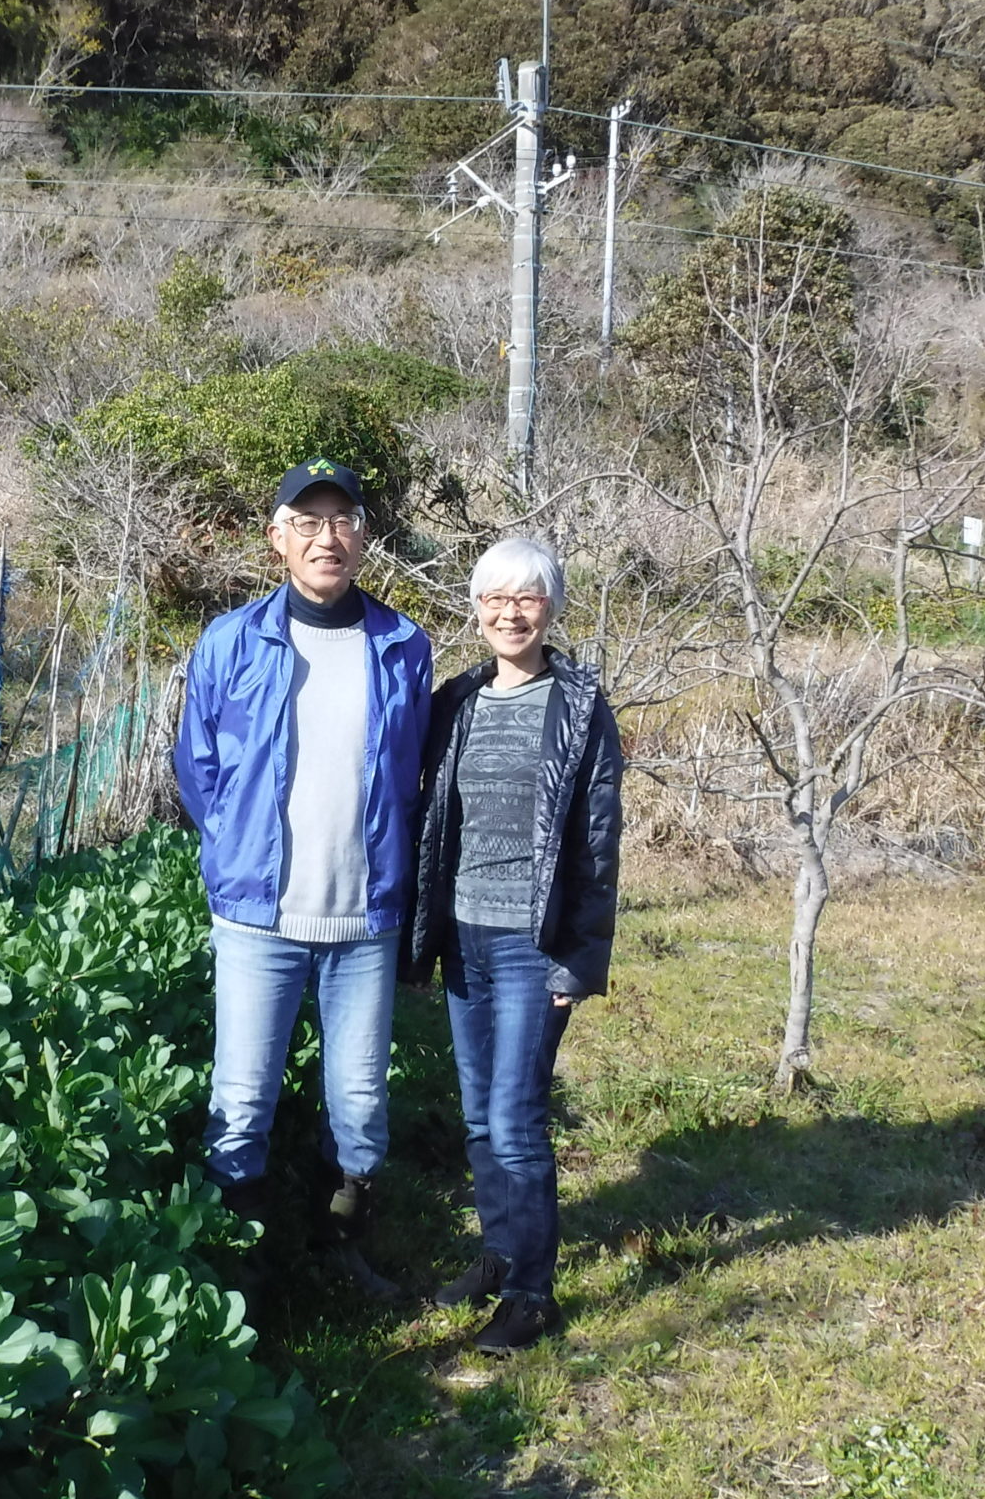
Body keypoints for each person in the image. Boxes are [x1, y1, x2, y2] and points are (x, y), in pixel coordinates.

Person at [174, 459, 434, 1266]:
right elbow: (197, 766)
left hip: (364, 918)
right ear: (277, 538)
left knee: (360, 1106)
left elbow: (414, 767)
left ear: (364, 535)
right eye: (309, 522)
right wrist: (231, 847)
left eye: (343, 520)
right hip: (258, 918)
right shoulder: (231, 640)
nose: (329, 538)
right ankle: (237, 1277)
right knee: (241, 1100)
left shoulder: (402, 645)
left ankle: (338, 1255)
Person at [405, 534, 622, 1354]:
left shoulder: (577, 707)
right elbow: (431, 826)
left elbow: (598, 844)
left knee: (516, 1117)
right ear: (476, 608)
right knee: (476, 1114)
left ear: (552, 608)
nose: (510, 612)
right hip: (465, 936)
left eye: (527, 597)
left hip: (534, 944)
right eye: (495, 597)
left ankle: (534, 1291)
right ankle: (498, 1252)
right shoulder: (456, 701)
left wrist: (578, 957)